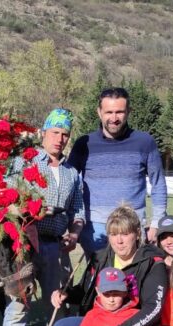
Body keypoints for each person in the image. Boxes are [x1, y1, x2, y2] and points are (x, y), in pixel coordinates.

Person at [2, 108, 85, 326]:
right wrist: (29, 209)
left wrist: (74, 232)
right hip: (24, 246)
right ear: (43, 133)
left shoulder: (72, 173)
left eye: (64, 134)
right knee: (18, 306)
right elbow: (6, 200)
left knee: (56, 304)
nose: (59, 139)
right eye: (55, 133)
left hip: (55, 247)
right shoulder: (22, 163)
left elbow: (78, 209)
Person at [67, 88, 167, 253]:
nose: (114, 118)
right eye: (109, 112)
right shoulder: (84, 143)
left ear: (129, 111)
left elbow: (158, 184)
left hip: (132, 226)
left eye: (119, 112)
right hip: (95, 228)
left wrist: (157, 223)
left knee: (132, 278)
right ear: (99, 112)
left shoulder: (145, 142)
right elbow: (68, 181)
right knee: (99, 277)